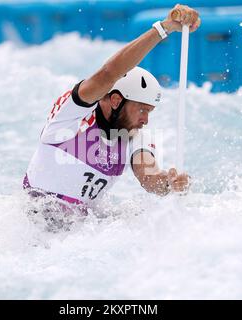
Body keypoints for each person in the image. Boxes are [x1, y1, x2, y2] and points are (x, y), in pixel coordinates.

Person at [24, 4, 201, 211]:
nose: (146, 120)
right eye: (142, 109)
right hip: (35, 226)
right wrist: (164, 28)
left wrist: (169, 183)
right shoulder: (71, 116)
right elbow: (108, 74)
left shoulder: (135, 136)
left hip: (81, 234)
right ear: (116, 100)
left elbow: (149, 177)